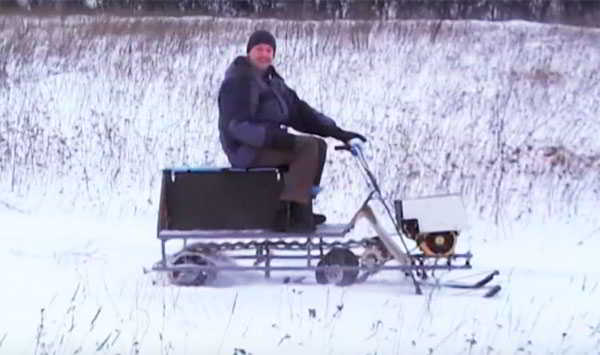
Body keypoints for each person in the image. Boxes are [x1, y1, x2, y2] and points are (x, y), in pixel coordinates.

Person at [218, 29, 366, 232]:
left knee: (318, 145)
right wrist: (276, 139)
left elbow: (301, 112)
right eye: (259, 49)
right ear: (248, 52)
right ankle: (287, 214)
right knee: (306, 147)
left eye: (269, 50)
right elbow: (237, 127)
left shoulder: (271, 81)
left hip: (265, 144)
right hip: (244, 150)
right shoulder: (240, 81)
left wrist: (339, 133)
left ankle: (301, 208)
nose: (264, 54)